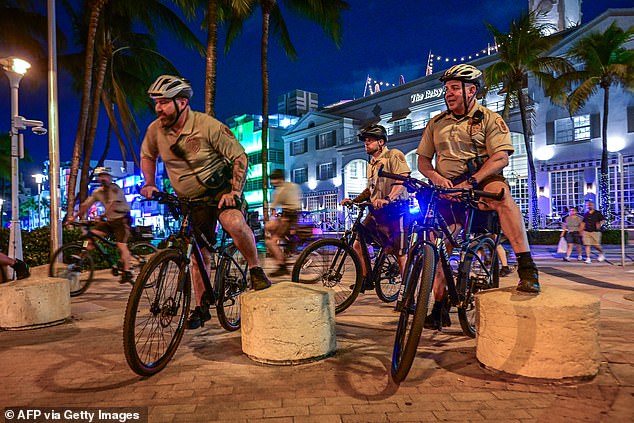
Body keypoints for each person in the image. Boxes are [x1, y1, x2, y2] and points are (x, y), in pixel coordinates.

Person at [139, 74, 271, 330]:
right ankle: (201, 306)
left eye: (164, 102)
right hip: (191, 199)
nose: (158, 108)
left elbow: (240, 157)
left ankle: (255, 269)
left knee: (233, 222)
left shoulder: (207, 125)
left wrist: (234, 191)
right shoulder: (155, 130)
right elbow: (148, 155)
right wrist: (149, 182)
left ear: (182, 102)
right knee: (199, 255)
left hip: (220, 190)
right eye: (156, 102)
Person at [417, 64, 540, 329]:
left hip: (479, 182)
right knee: (437, 247)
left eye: (454, 88)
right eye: (446, 89)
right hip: (447, 190)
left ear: (471, 90)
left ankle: (526, 266)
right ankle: (439, 306)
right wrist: (437, 179)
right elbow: (423, 161)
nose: (448, 93)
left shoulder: (489, 119)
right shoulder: (436, 123)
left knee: (501, 194)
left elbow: (501, 158)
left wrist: (472, 181)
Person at [341, 124, 411, 292]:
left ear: (381, 142)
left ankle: (408, 293)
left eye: (370, 140)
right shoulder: (371, 163)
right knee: (358, 243)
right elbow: (370, 190)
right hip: (377, 212)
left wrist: (388, 198)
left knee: (400, 253)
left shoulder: (393, 155)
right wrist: (354, 200)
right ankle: (366, 279)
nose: (366, 143)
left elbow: (403, 179)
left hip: (396, 210)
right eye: (365, 140)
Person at [72, 167, 134, 284]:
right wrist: (73, 218)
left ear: (110, 178)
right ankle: (80, 260)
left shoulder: (115, 189)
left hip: (122, 220)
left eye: (105, 176)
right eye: (101, 176)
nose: (103, 179)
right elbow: (85, 205)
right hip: (110, 221)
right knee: (91, 237)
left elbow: (112, 205)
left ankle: (127, 272)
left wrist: (101, 216)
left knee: (121, 246)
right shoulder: (98, 192)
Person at [265, 169, 301, 277]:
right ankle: (284, 249)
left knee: (270, 242)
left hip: (287, 218)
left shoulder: (280, 191)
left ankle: (281, 266)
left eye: (274, 179)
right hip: (294, 217)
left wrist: (272, 217)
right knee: (272, 229)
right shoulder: (293, 186)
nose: (273, 182)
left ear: (279, 179)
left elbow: (273, 207)